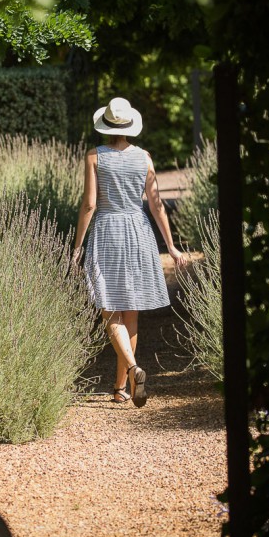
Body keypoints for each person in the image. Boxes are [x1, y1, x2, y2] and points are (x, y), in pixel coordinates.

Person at [71, 97, 188, 407]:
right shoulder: (145, 157)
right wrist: (172, 246)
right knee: (131, 312)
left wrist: (78, 245)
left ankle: (133, 370)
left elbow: (90, 205)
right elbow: (157, 205)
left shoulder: (94, 156)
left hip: (107, 231)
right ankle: (121, 388)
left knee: (109, 309)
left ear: (105, 126)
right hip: (138, 232)